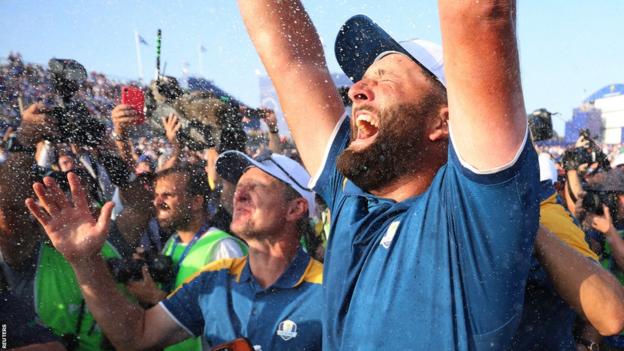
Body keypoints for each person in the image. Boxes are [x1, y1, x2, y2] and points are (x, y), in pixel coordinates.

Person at [239, 0, 540, 348]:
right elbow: (292, 62)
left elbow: (480, 14)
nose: (355, 91)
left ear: (444, 120)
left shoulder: (473, 219)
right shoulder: (351, 197)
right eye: (363, 80)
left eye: (385, 78)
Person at [26, 151, 323, 350]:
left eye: (257, 186)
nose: (239, 193)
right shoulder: (214, 280)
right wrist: (86, 260)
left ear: (295, 209)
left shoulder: (331, 292)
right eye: (240, 185)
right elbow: (134, 336)